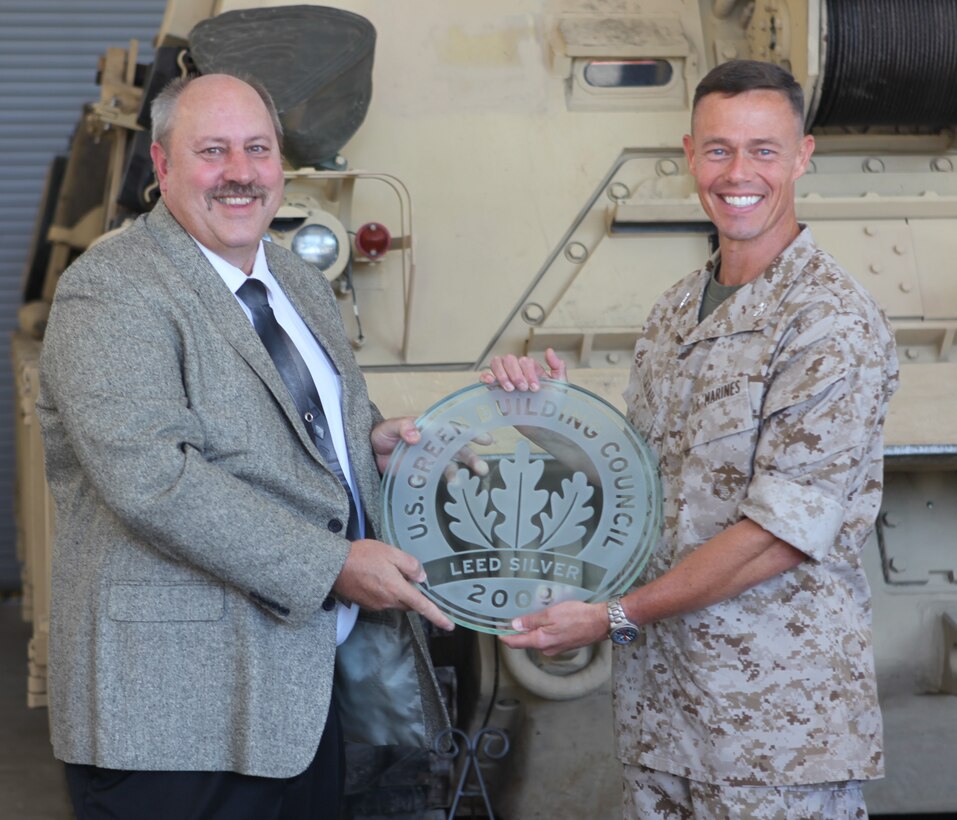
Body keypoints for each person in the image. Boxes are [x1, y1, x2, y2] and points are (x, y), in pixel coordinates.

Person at [484, 60, 898, 818]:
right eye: (717, 149)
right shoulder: (677, 310)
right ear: (689, 154)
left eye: (763, 150)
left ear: (802, 156)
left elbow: (778, 535)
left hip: (774, 731)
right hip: (665, 717)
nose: (738, 172)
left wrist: (613, 616)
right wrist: (544, 416)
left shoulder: (826, 321)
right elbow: (643, 485)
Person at [36, 73, 454, 820]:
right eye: (213, 151)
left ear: (279, 166)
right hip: (173, 714)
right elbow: (153, 478)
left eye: (257, 149)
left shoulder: (294, 277)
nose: (240, 172)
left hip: (295, 693)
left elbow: (290, 426)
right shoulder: (112, 289)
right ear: (161, 167)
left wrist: (369, 445)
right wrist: (332, 563)